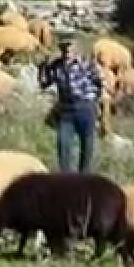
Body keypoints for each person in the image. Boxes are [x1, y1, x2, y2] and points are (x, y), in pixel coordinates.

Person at [39, 35, 103, 173]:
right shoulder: (56, 66)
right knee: (63, 144)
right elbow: (44, 83)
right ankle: (66, 178)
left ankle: (85, 178)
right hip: (66, 110)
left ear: (76, 48)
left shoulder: (86, 64)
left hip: (85, 108)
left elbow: (99, 83)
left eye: (69, 47)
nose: (66, 51)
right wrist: (42, 68)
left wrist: (92, 100)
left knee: (87, 145)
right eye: (63, 47)